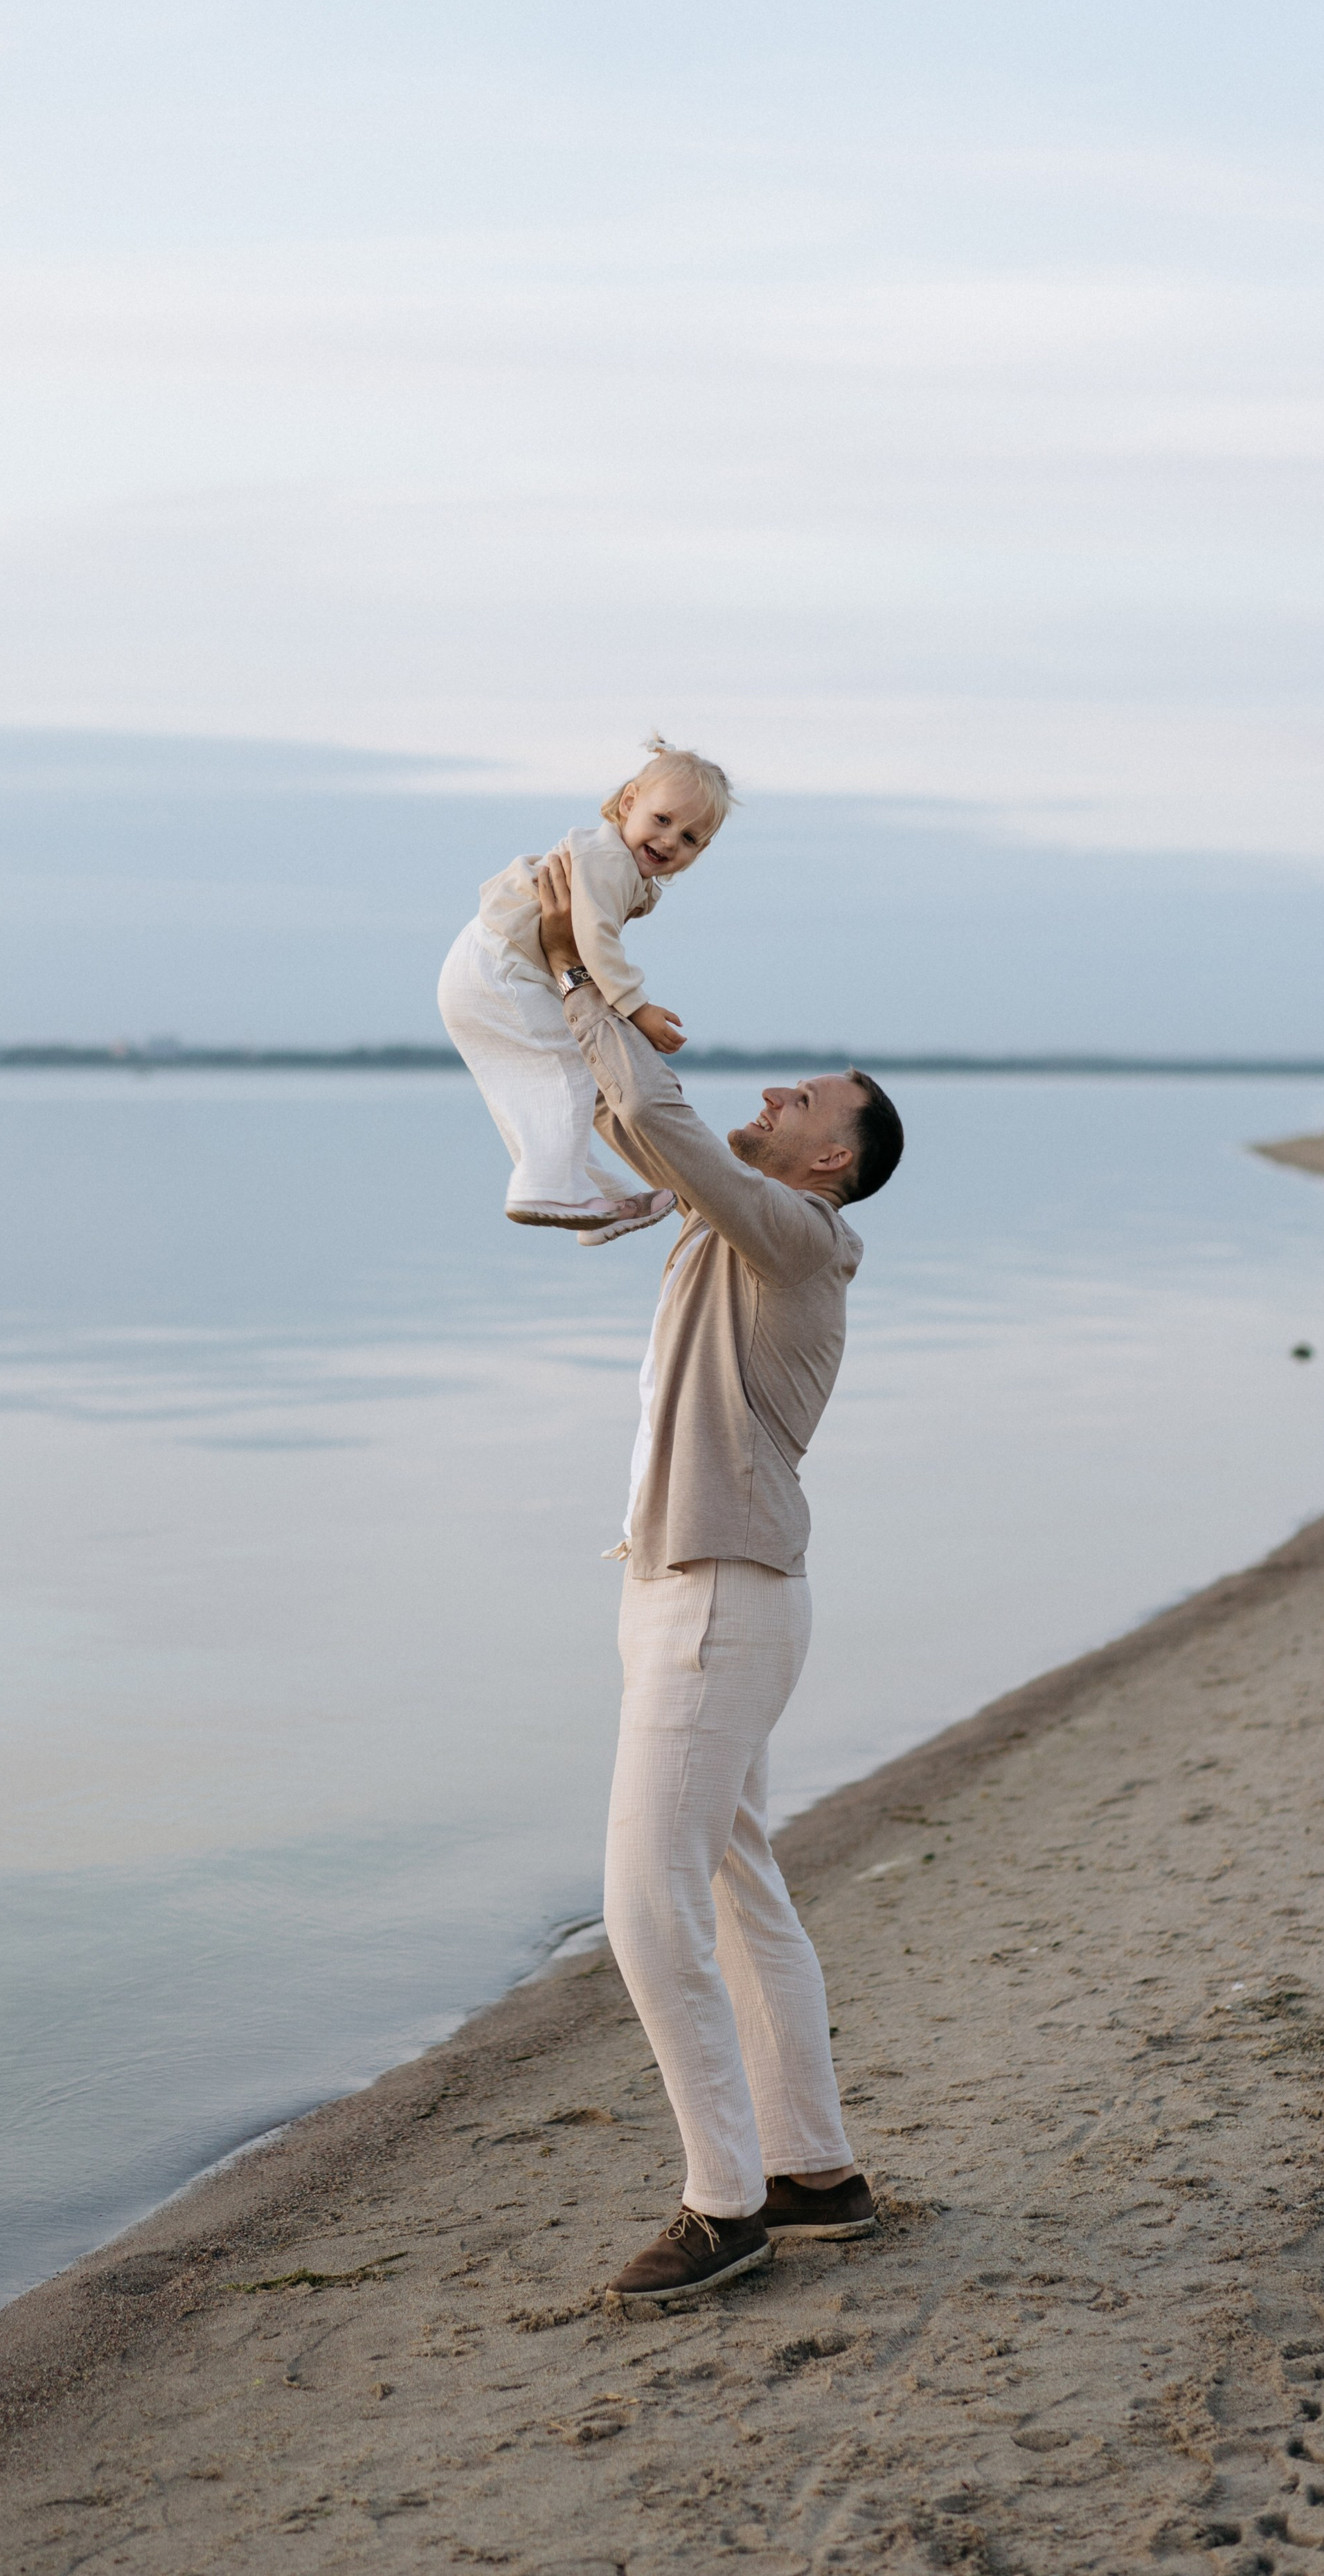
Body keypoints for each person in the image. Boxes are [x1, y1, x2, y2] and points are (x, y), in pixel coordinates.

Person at [533, 848, 905, 2309]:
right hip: (688, 1591)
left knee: (646, 1907)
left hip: (719, 1599)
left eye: (802, 1102)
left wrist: (583, 968)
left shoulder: (799, 1239)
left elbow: (652, 1114)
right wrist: (558, 980)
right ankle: (813, 2174)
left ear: (829, 1163)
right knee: (740, 1894)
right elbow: (629, 1126)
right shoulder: (736, 1218)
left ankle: (722, 2205)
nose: (775, 1095)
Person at [437, 738, 735, 1246]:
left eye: (688, 838)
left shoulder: (617, 865)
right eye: (662, 820)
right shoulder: (609, 859)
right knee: (570, 1069)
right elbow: (594, 940)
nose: (669, 841)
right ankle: (545, 1189)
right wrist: (636, 1008)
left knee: (537, 1089)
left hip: (480, 967)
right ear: (629, 804)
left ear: (700, 852)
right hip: (501, 967)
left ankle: (598, 1203)